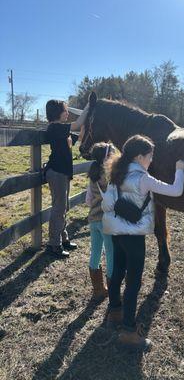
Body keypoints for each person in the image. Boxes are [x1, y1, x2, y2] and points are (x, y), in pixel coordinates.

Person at [101, 135, 184, 351]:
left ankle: (115, 311)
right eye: (150, 157)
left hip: (116, 232)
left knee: (118, 271)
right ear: (139, 157)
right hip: (134, 236)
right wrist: (180, 169)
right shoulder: (144, 178)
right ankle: (129, 332)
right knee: (134, 282)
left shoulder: (116, 173)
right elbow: (176, 190)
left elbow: (107, 203)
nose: (151, 161)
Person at [45, 99, 89, 258]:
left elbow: (80, 135)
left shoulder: (62, 130)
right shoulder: (55, 127)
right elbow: (77, 124)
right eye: (65, 111)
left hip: (62, 173)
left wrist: (88, 120)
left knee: (63, 207)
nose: (68, 113)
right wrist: (88, 106)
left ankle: (63, 239)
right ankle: (53, 245)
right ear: (58, 113)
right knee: (59, 208)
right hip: (56, 172)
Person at [85, 142, 115, 301]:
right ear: (108, 158)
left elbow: (88, 200)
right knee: (111, 253)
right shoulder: (110, 176)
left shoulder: (93, 175)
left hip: (93, 219)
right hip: (107, 222)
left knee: (95, 251)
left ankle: (97, 289)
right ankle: (111, 287)